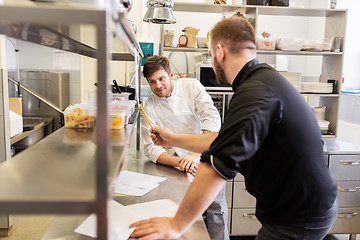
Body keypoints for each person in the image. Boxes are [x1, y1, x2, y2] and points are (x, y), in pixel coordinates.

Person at [130, 16, 338, 240]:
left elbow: (218, 162)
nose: (211, 62)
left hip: (298, 215)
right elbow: (223, 140)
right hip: (300, 207)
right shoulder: (262, 79)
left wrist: (175, 224)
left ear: (219, 51)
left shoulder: (255, 91)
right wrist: (173, 139)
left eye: (210, 55)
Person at [140, 55, 229, 240]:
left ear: (171, 74)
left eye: (161, 78)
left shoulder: (192, 86)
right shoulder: (149, 106)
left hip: (208, 158)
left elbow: (211, 119)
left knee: (216, 212)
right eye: (152, 82)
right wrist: (180, 163)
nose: (158, 85)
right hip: (180, 166)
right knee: (185, 216)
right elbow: (150, 148)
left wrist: (197, 155)